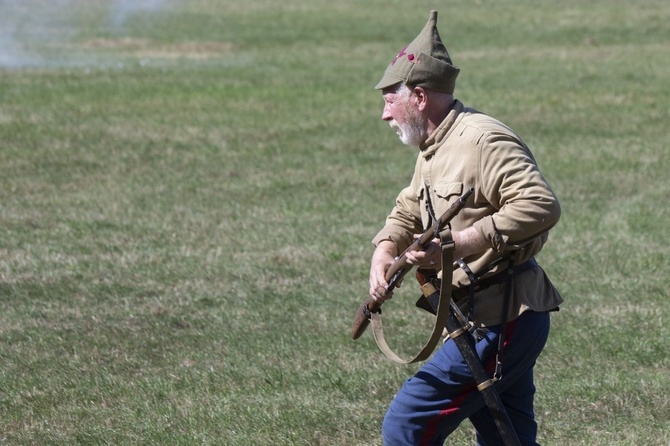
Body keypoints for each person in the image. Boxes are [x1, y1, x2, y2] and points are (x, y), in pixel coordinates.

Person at [367, 10, 563, 446]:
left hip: (503, 318)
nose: (384, 114)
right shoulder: (433, 144)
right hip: (482, 316)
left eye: (389, 100)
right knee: (507, 437)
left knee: (406, 425)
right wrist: (384, 251)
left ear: (419, 97)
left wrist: (458, 243)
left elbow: (541, 204)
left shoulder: (482, 141)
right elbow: (407, 210)